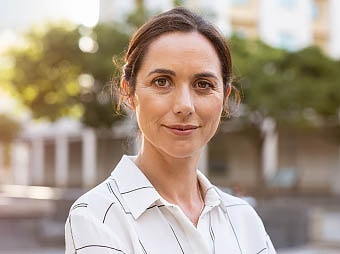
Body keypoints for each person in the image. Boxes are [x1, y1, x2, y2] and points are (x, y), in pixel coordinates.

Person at [65, 7, 276, 254]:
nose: (184, 105)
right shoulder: (97, 216)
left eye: (203, 84)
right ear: (128, 92)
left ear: (224, 97)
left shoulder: (244, 219)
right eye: (162, 81)